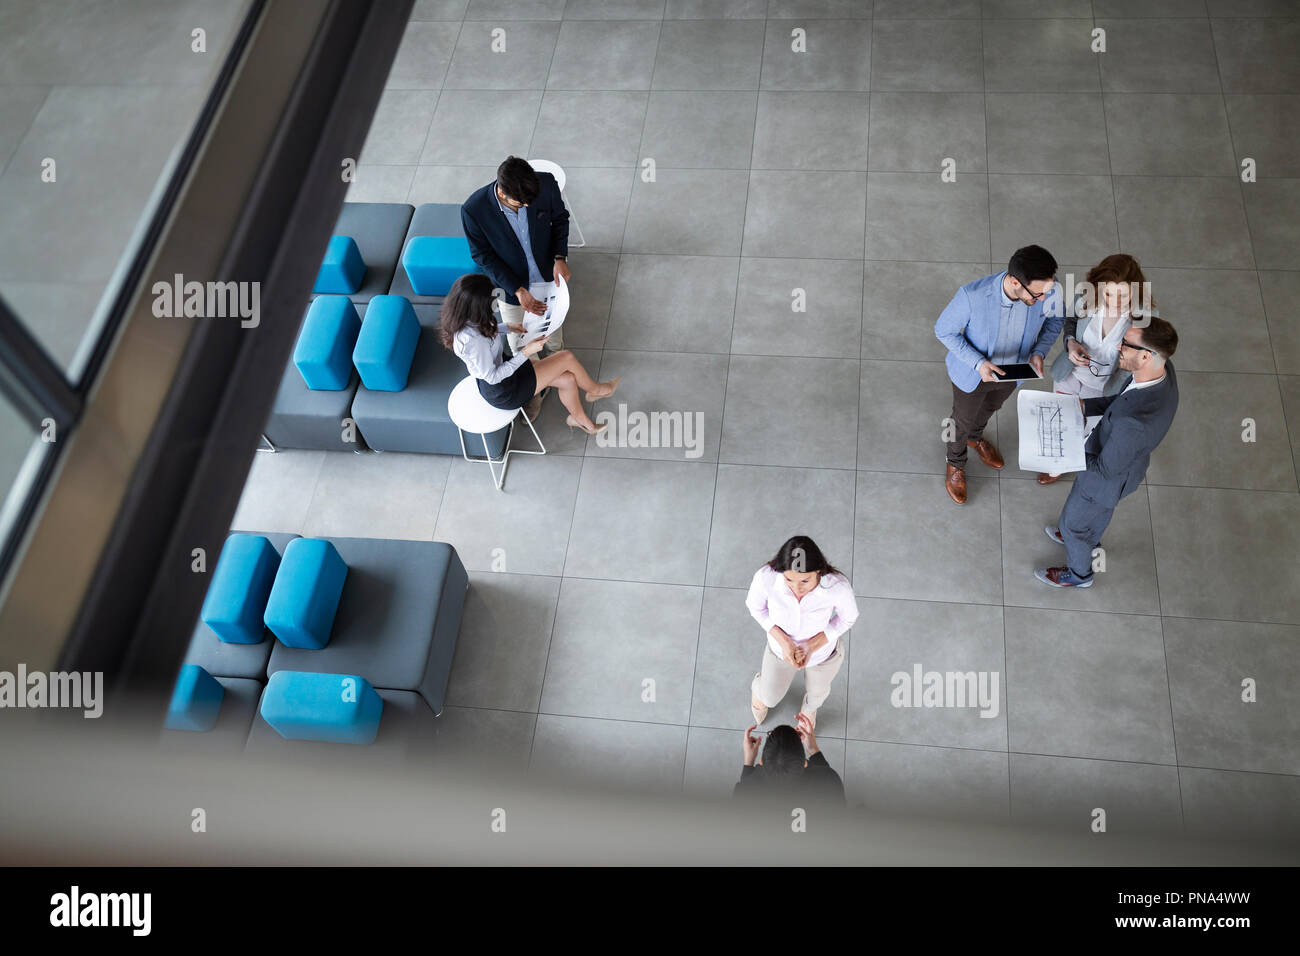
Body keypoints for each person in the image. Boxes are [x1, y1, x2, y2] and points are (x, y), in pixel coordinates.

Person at [1036, 316, 1179, 589]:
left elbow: (1104, 470)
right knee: (1097, 514)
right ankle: (1087, 536)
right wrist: (1084, 406)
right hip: (1124, 466)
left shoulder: (1134, 424)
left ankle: (1080, 575)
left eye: (1126, 344)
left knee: (1072, 526)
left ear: (1147, 356)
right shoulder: (1161, 371)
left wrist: (1065, 459)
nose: (1118, 348)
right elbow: (1121, 401)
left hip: (1105, 480)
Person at [935, 244, 1064, 504]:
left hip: (1013, 372)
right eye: (1037, 294)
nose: (1043, 299)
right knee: (960, 420)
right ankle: (955, 461)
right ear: (1015, 281)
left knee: (992, 407)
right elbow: (943, 330)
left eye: (1046, 292)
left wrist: (1039, 350)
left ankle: (975, 437)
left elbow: (1055, 319)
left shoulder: (1048, 288)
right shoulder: (972, 296)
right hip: (973, 375)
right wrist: (978, 363)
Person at [461, 156, 572, 420]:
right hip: (511, 288)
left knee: (553, 337)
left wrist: (560, 258)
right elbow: (482, 256)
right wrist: (518, 290)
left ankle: (559, 371)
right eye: (520, 204)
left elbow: (561, 220)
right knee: (520, 341)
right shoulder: (473, 210)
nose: (526, 207)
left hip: (548, 278)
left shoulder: (545, 184)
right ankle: (536, 388)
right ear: (501, 192)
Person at [439, 273, 618, 435]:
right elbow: (492, 377)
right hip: (504, 390)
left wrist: (507, 327)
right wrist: (526, 352)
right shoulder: (472, 342)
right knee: (566, 357)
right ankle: (596, 390)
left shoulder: (465, 320)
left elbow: (483, 332)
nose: (493, 304)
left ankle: (582, 422)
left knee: (569, 379)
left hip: (505, 370)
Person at [1038, 253, 1154, 484]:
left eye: (1122, 294)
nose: (1114, 300)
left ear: (1135, 290)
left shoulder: (1143, 318)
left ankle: (1067, 459)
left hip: (1104, 385)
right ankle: (1057, 460)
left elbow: (1146, 360)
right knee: (1060, 416)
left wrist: (1128, 356)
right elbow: (1070, 321)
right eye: (1108, 293)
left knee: (1087, 427)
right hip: (1070, 373)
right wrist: (1070, 342)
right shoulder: (1087, 299)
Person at [746, 536, 858, 730]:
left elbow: (848, 618)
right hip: (779, 651)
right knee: (769, 697)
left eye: (805, 581)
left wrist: (812, 645)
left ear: (819, 572)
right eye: (789, 579)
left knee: (817, 695)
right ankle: (760, 687)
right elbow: (755, 607)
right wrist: (784, 642)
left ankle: (809, 711)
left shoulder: (836, 587)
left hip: (823, 654)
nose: (797, 588)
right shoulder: (766, 578)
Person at [734, 715, 845, 805]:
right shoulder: (829, 782)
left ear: (762, 762)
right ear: (805, 764)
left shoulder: (743, 793)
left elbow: (747, 786)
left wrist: (748, 761)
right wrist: (814, 750)